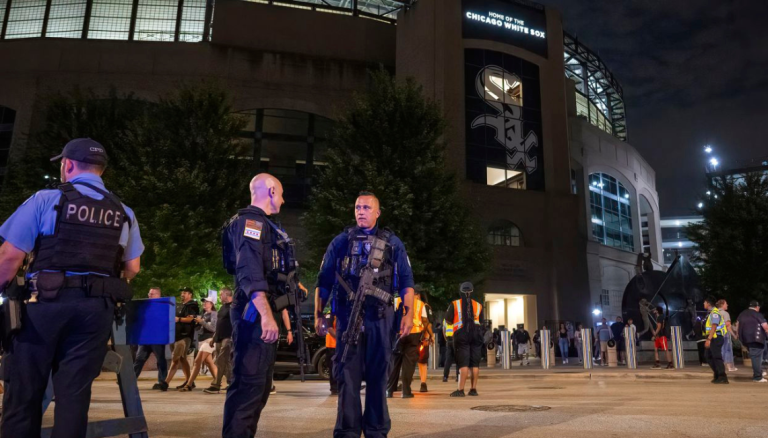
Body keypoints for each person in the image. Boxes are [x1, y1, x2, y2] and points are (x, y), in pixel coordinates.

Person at [0, 138, 144, 438]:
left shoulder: (46, 199)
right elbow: (132, 268)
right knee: (74, 396)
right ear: (101, 170)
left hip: (45, 305)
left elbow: (9, 257)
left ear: (67, 165)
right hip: (95, 311)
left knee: (24, 392)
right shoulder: (124, 211)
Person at [314, 191, 415, 438]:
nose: (361, 211)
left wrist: (409, 315)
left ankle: (376, 430)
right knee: (347, 378)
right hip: (348, 318)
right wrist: (319, 314)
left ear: (377, 212)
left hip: (381, 318)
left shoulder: (393, 243)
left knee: (378, 378)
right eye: (358, 207)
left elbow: (406, 281)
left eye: (367, 208)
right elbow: (324, 280)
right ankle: (347, 431)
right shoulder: (340, 242)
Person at [220, 173, 298, 437]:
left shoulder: (265, 225)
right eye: (282, 194)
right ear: (272, 191)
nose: (284, 200)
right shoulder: (250, 223)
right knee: (248, 386)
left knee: (259, 389)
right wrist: (265, 314)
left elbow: (264, 268)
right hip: (253, 314)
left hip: (262, 311)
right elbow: (249, 271)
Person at [444, 282, 484, 397]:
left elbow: (448, 320)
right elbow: (481, 321)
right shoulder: (478, 305)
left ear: (460, 291)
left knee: (463, 363)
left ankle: (460, 390)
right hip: (476, 334)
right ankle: (473, 389)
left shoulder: (455, 304)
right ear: (472, 291)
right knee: (475, 364)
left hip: (462, 334)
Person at [388, 288, 428, 398]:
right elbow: (424, 321)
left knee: (394, 362)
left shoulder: (396, 301)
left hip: (398, 334)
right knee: (409, 364)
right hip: (414, 334)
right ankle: (406, 392)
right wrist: (425, 334)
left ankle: (389, 390)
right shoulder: (420, 304)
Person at [133, 287, 169, 391]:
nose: (149, 295)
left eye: (152, 294)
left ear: (158, 295)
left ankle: (162, 381)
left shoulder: (163, 307)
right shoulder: (145, 306)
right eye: (149, 293)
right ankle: (131, 379)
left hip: (157, 338)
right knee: (139, 359)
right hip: (145, 338)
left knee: (161, 360)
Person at [165, 287, 200, 389]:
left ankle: (165, 383)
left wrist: (178, 319)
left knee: (176, 358)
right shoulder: (181, 306)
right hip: (175, 336)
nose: (182, 294)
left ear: (190, 295)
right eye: (182, 292)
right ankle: (190, 381)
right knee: (182, 358)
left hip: (184, 337)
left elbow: (192, 319)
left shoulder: (192, 305)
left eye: (185, 293)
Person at [181, 297, 218, 391]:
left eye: (207, 302)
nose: (204, 303)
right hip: (201, 340)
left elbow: (213, 328)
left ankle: (189, 384)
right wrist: (195, 321)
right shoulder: (203, 314)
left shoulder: (214, 314)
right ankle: (218, 382)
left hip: (209, 340)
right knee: (209, 362)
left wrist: (201, 321)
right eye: (204, 302)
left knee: (197, 361)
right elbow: (199, 329)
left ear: (212, 304)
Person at [205, 288, 234, 394]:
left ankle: (216, 385)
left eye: (221, 294)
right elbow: (219, 324)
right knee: (225, 362)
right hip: (219, 337)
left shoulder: (234, 307)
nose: (220, 296)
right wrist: (214, 337)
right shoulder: (222, 307)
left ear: (227, 295)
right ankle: (232, 382)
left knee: (220, 360)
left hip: (228, 337)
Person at [737, 300, 768, 383]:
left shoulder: (742, 314)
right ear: (757, 307)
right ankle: (757, 377)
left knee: (757, 356)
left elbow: (737, 325)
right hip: (756, 339)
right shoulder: (758, 315)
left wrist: (739, 336)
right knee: (756, 357)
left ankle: (759, 372)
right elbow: (765, 327)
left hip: (745, 339)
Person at [703, 296, 728, 384]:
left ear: (708, 303)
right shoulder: (710, 313)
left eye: (705, 302)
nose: (704, 304)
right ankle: (717, 374)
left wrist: (708, 339)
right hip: (713, 337)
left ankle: (722, 376)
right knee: (708, 356)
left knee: (716, 357)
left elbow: (714, 326)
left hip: (716, 338)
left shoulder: (714, 313)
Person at [717, 299, 737, 372]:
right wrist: (734, 335)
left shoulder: (714, 313)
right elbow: (728, 325)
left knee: (720, 350)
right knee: (727, 350)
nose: (727, 305)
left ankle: (720, 366)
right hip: (725, 335)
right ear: (722, 305)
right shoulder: (725, 313)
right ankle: (729, 367)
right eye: (726, 304)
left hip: (716, 335)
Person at [326, 313, 339, 395]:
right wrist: (339, 338)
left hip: (338, 346)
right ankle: (334, 388)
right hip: (332, 346)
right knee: (333, 368)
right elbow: (330, 329)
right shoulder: (330, 315)